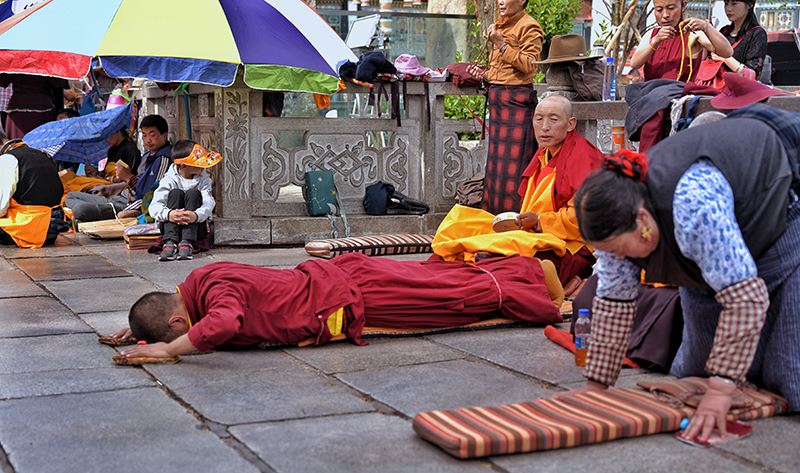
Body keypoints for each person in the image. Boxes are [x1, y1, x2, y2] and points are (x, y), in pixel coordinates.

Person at [564, 115, 800, 444]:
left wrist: (721, 390)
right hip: (705, 247)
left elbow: (746, 298)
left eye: (619, 248)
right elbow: (614, 303)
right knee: (695, 373)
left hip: (775, 210)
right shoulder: (623, 222)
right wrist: (597, 386)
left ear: (642, 219)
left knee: (787, 373)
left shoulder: (692, 206)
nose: (618, 257)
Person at [110, 253, 565, 359]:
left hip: (351, 298)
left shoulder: (215, 299)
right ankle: (527, 270)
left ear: (177, 319)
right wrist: (143, 328)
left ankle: (531, 283)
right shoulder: (198, 280)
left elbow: (225, 322)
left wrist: (168, 350)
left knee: (451, 300)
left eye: (178, 332)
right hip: (344, 278)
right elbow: (171, 310)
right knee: (438, 279)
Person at [431, 95, 603, 285]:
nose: (544, 127)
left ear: (570, 124)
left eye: (554, 119)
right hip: (535, 232)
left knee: (508, 262)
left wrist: (539, 222)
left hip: (570, 246)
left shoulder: (583, 157)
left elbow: (586, 219)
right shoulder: (544, 153)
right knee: (459, 223)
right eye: (539, 118)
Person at [467, 0, 543, 214]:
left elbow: (530, 66)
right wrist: (485, 75)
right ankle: (494, 216)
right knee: (496, 168)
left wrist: (501, 43)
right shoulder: (501, 25)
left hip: (517, 102)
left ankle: (515, 219)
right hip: (499, 101)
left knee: (516, 167)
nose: (500, 1)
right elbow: (501, 70)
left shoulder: (529, 26)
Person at [64, 115, 171, 222]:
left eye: (152, 135)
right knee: (70, 196)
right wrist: (111, 188)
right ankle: (83, 218)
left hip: (130, 205)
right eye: (144, 135)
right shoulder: (147, 156)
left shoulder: (163, 159)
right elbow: (137, 181)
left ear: (164, 136)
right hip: (120, 196)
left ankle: (82, 217)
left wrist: (128, 178)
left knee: (80, 209)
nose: (148, 140)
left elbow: (151, 196)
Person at [149, 141, 219, 262]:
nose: (202, 167)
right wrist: (169, 214)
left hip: (195, 226)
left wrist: (196, 215)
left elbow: (209, 202)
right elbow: (154, 206)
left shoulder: (204, 180)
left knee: (193, 193)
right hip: (172, 226)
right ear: (182, 165)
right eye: (197, 164)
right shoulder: (169, 180)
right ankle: (170, 241)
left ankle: (188, 241)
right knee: (175, 193)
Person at [630, 0, 733, 82]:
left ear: (683, 5)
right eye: (659, 10)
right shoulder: (652, 34)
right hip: (651, 97)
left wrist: (707, 27)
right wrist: (655, 41)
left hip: (679, 101)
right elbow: (634, 64)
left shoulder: (692, 33)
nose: (665, 15)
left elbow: (727, 52)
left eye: (671, 8)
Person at [0, 129, 64, 248]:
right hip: (53, 226)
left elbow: (1, 208)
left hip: (30, 227)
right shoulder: (41, 154)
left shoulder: (7, 159)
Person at [0, 74, 70, 139]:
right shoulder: (46, 63)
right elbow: (59, 83)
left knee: (17, 146)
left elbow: (3, 81)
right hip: (40, 109)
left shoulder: (16, 63)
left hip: (21, 109)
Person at [715, 0, 767, 80]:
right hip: (717, 85)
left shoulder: (757, 34)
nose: (728, 9)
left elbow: (752, 74)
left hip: (738, 88)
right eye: (726, 4)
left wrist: (725, 57)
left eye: (734, 4)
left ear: (750, 5)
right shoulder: (723, 31)